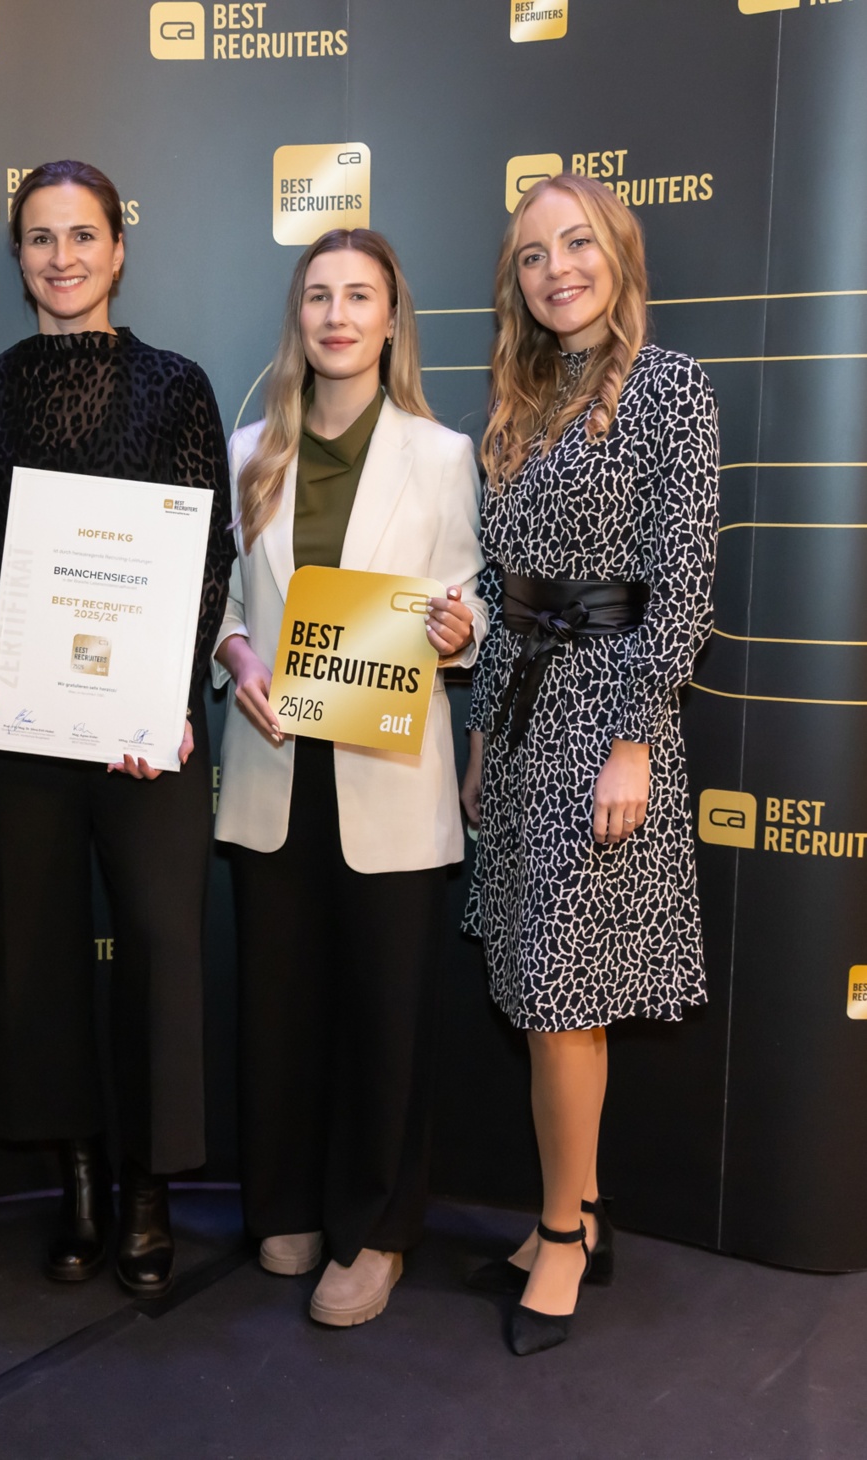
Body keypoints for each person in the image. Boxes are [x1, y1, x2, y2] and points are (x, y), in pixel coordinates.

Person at [0, 160, 233, 1298]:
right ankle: (78, 1185)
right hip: (23, 722)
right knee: (32, 952)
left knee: (161, 950)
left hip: (145, 732)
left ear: (118, 248)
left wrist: (167, 692)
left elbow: (204, 553)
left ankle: (148, 1190)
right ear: (19, 258)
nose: (62, 257)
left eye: (82, 236)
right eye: (40, 238)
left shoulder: (177, 385)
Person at [460, 173, 719, 1355]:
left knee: (566, 994)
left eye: (576, 244)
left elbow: (684, 581)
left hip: (609, 712)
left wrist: (632, 739)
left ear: (618, 253)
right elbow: (499, 585)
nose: (556, 269)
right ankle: (580, 1208)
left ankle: (562, 1235)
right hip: (522, 719)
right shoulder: (521, 400)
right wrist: (480, 733)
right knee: (538, 988)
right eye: (532, 255)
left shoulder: (670, 387)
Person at [212, 229, 485, 1327]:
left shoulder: (441, 453)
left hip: (387, 770)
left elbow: (465, 599)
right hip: (273, 766)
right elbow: (227, 607)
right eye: (319, 295)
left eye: (358, 296)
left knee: (385, 1017)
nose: (337, 315)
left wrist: (460, 627)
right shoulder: (248, 452)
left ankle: (375, 1233)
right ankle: (282, 1201)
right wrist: (237, 660)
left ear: (389, 319)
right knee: (278, 1008)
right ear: (300, 316)